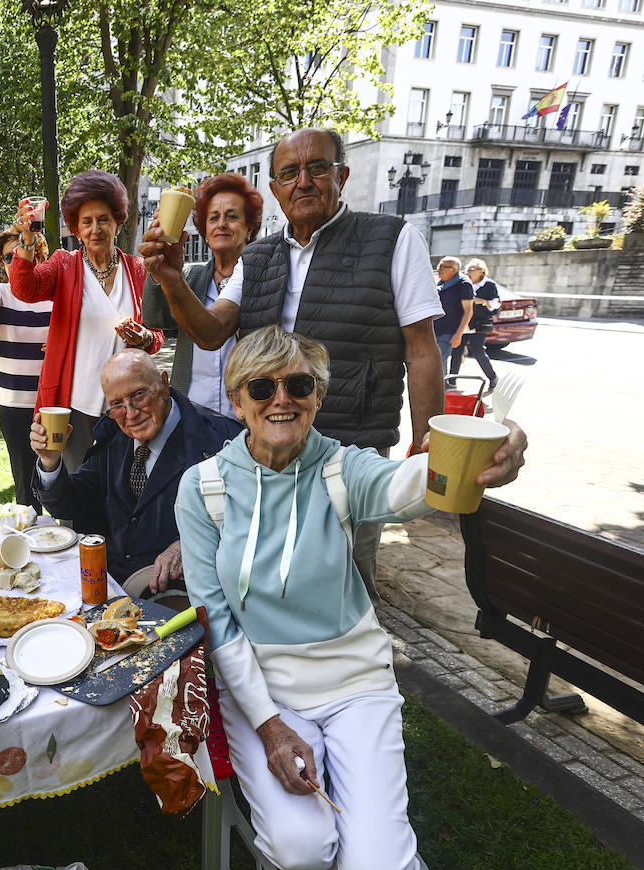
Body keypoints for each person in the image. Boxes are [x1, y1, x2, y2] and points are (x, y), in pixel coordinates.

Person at [175, 326, 527, 870]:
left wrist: (487, 452)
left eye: (299, 384)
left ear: (317, 396)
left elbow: (412, 486)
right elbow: (218, 623)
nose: (281, 398)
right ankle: (372, 848)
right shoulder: (203, 488)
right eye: (261, 386)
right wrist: (270, 727)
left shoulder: (341, 469)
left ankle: (385, 867)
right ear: (236, 402)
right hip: (263, 692)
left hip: (355, 684)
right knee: (303, 848)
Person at [140, 127, 445, 601]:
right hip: (271, 448)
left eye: (317, 168)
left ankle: (351, 665)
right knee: (268, 576)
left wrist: (428, 443)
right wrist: (173, 279)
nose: (303, 181)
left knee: (345, 584)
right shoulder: (258, 257)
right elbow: (210, 330)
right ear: (276, 188)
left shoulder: (392, 239)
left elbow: (423, 348)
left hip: (352, 449)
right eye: (288, 173)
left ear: (342, 175)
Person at [31, 350, 240, 591]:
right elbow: (69, 504)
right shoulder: (113, 433)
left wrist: (191, 543)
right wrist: (50, 462)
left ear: (163, 383)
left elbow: (245, 521)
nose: (130, 414)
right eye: (117, 403)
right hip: (107, 584)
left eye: (139, 395)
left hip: (177, 592)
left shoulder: (220, 441)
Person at [9, 170, 165, 472]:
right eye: (87, 222)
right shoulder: (64, 264)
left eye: (103, 219)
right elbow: (25, 288)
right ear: (76, 229)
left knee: (125, 491)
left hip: (127, 407)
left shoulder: (137, 271)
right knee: (76, 494)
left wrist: (144, 338)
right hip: (75, 406)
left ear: (118, 222)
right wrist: (27, 240)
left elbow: (157, 336)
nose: (96, 229)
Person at [142, 172, 264, 415]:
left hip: (247, 419)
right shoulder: (192, 278)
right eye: (213, 218)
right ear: (205, 232)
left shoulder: (264, 280)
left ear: (249, 228)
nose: (221, 224)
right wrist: (159, 272)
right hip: (192, 416)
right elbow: (154, 317)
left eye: (232, 217)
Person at [0, 227, 53, 513]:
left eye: (20, 254)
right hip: (15, 406)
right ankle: (30, 545)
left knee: (60, 477)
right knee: (26, 486)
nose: (14, 262)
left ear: (38, 255)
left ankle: (63, 544)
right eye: (7, 257)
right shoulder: (0, 293)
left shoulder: (55, 295)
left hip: (55, 403)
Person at [452, 258, 499, 391]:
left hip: (478, 324)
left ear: (481, 271)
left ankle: (492, 377)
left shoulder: (489, 285)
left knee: (479, 353)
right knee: (456, 352)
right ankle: (452, 380)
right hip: (462, 324)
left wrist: (482, 301)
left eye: (471, 270)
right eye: (467, 270)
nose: (468, 272)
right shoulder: (464, 283)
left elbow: (496, 304)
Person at [434, 257, 475, 381]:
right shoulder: (441, 283)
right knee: (436, 362)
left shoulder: (464, 284)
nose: (438, 269)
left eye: (442, 267)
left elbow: (468, 311)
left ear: (453, 270)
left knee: (439, 362)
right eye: (439, 266)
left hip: (450, 331)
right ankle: (442, 390)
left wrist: (458, 334)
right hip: (436, 328)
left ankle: (441, 391)